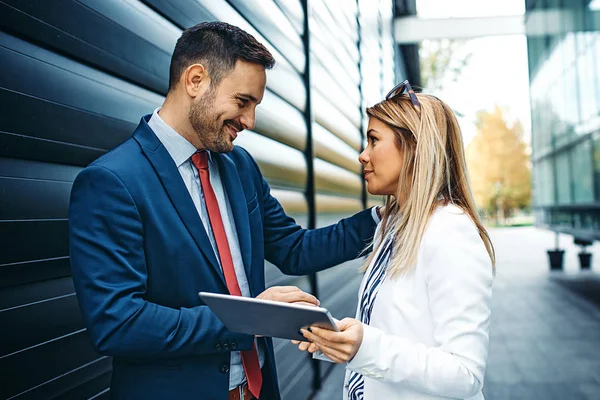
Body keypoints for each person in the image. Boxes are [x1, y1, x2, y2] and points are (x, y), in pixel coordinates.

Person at [69, 22, 379, 400]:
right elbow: (117, 323)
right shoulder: (111, 182)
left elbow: (294, 248)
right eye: (242, 102)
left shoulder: (239, 167)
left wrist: (385, 218)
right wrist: (251, 319)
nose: (249, 122)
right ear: (196, 80)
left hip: (258, 390)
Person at [294, 81, 495, 400]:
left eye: (374, 140)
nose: (362, 155)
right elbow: (393, 333)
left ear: (413, 147)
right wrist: (339, 342)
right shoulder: (392, 225)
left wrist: (366, 346)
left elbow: (465, 374)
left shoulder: (450, 231)